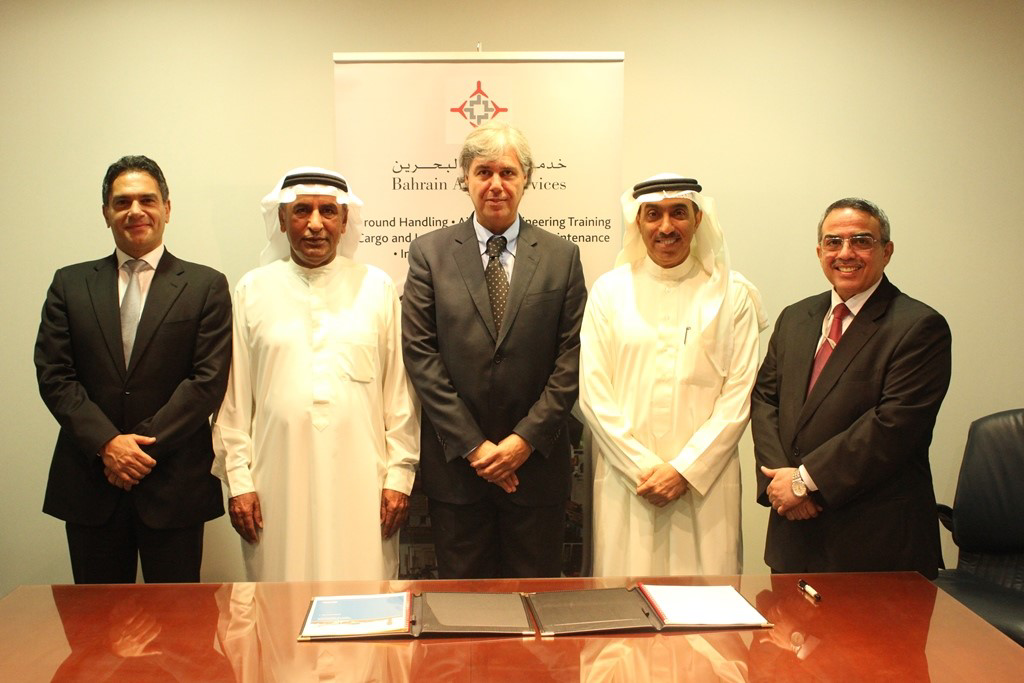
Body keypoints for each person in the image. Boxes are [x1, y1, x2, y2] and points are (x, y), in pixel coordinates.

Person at [212, 167, 418, 581]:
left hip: (364, 482)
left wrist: (400, 477)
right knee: (279, 604)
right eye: (302, 211)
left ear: (344, 222)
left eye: (328, 211)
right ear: (283, 220)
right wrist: (238, 483)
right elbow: (233, 402)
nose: (315, 224)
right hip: (275, 484)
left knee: (364, 602)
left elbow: (400, 395)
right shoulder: (251, 290)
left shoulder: (376, 288)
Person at [402, 121, 587, 578]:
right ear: (465, 177)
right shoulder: (430, 253)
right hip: (459, 472)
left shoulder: (563, 257)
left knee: (536, 610)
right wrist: (476, 447)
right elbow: (422, 356)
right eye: (484, 172)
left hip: (537, 471)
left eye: (508, 172)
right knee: (463, 618)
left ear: (527, 178)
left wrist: (522, 442)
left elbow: (572, 359)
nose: (496, 185)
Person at [35, 155, 232, 583]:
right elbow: (55, 375)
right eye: (122, 202)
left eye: (147, 200)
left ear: (167, 207)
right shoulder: (69, 284)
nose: (135, 211)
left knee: (180, 633)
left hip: (174, 482)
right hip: (91, 482)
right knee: (95, 633)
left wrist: (137, 450)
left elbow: (206, 382)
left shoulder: (205, 286)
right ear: (106, 212)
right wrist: (107, 444)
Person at [751, 197, 952, 578]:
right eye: (833, 242)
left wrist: (804, 480)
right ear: (819, 251)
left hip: (877, 546)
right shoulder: (795, 317)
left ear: (886, 251)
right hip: (794, 536)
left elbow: (893, 426)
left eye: (861, 241)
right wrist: (781, 481)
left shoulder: (919, 326)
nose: (846, 253)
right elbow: (765, 400)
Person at [579, 174, 766, 576]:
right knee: (622, 615)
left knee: (707, 620)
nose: (666, 227)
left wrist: (684, 470)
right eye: (653, 215)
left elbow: (739, 396)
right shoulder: (609, 292)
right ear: (638, 222)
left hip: (704, 487)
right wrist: (641, 469)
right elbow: (593, 395)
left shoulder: (732, 295)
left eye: (678, 213)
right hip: (627, 484)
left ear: (698, 219)